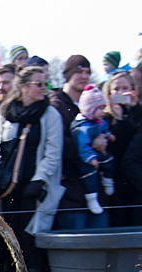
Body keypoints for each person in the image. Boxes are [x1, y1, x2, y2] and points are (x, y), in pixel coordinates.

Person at [0, 66, 64, 272]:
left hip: (35, 191)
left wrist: (39, 179)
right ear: (23, 86)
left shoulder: (49, 114)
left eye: (46, 83)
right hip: (9, 190)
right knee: (10, 244)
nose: (44, 88)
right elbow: (1, 148)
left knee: (31, 243)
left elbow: (53, 152)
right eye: (38, 83)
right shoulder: (8, 111)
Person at [49, 55, 107, 229]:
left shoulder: (94, 102)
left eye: (87, 72)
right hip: (71, 193)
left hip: (97, 191)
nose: (84, 76)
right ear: (68, 74)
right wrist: (89, 144)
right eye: (78, 71)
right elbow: (58, 143)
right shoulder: (56, 104)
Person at [102, 71, 142, 225]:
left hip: (136, 179)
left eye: (125, 88)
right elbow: (116, 146)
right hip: (116, 181)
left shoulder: (139, 112)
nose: (120, 93)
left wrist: (133, 109)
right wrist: (118, 119)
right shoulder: (105, 117)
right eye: (116, 90)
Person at [71, 86, 115, 216]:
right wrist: (91, 159)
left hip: (98, 153)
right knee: (90, 175)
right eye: (100, 109)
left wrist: (108, 134)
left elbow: (104, 127)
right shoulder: (83, 128)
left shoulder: (99, 121)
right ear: (90, 110)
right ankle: (92, 198)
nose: (103, 111)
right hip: (86, 157)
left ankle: (108, 179)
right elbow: (82, 145)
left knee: (109, 160)